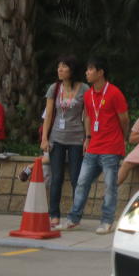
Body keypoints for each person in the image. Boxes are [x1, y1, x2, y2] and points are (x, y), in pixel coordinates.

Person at [57, 57, 129, 235]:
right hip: (94, 146)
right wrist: (88, 138)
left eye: (90, 70)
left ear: (100, 72)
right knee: (81, 183)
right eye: (87, 70)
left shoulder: (114, 93)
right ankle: (73, 219)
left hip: (111, 147)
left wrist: (123, 137)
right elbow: (88, 116)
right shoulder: (88, 94)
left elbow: (124, 119)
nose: (87, 73)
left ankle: (106, 221)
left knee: (110, 186)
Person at [37, 56, 88, 227]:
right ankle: (54, 215)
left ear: (72, 70)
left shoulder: (84, 89)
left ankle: (75, 216)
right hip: (56, 138)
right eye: (58, 66)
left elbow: (87, 116)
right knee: (56, 177)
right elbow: (49, 115)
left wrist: (88, 138)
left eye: (64, 67)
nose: (59, 70)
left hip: (76, 138)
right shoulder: (54, 88)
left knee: (76, 179)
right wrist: (44, 138)